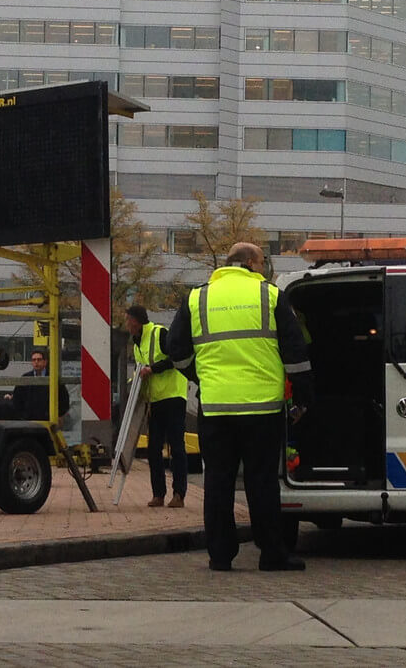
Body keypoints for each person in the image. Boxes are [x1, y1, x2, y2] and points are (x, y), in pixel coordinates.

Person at [168, 242, 314, 572]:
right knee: (261, 482)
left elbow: (175, 351)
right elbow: (296, 352)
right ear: (249, 262)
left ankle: (220, 555)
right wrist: (303, 398)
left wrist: (202, 375)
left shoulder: (197, 298)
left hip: (217, 408)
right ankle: (271, 554)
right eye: (262, 262)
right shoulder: (270, 296)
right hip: (262, 409)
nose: (264, 268)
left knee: (218, 481)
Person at [126, 304, 189, 509]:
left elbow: (174, 359)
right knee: (153, 448)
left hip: (172, 396)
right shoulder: (136, 344)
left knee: (176, 447)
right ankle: (158, 494)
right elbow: (141, 372)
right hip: (155, 400)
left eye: (129, 321)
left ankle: (179, 494)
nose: (127, 325)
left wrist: (152, 369)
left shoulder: (159, 333)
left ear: (136, 321)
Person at [6, 349, 70, 421]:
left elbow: (64, 399)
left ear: (45, 362)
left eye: (39, 359)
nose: (36, 362)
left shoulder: (53, 378)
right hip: (29, 422)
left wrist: (57, 416)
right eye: (34, 360)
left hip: (49, 421)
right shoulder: (25, 378)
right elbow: (17, 399)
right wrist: (23, 416)